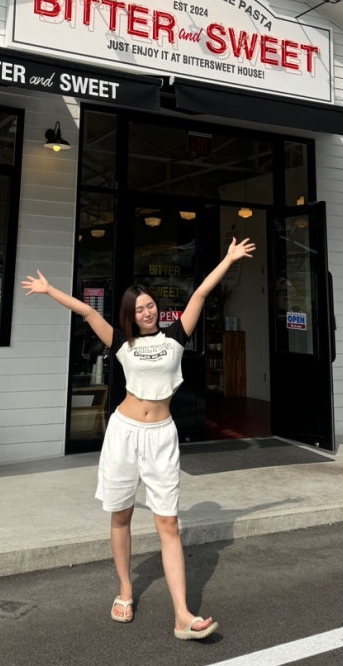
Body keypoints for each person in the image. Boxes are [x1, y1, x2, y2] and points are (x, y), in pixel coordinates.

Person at [21, 234, 256, 640]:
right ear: (130, 315)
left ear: (157, 308)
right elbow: (86, 312)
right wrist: (49, 290)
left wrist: (229, 259)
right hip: (124, 433)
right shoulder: (122, 343)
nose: (147, 312)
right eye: (139, 309)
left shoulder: (175, 337)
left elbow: (200, 292)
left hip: (161, 437)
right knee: (121, 515)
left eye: (150, 305)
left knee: (169, 523)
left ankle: (182, 615)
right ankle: (126, 590)